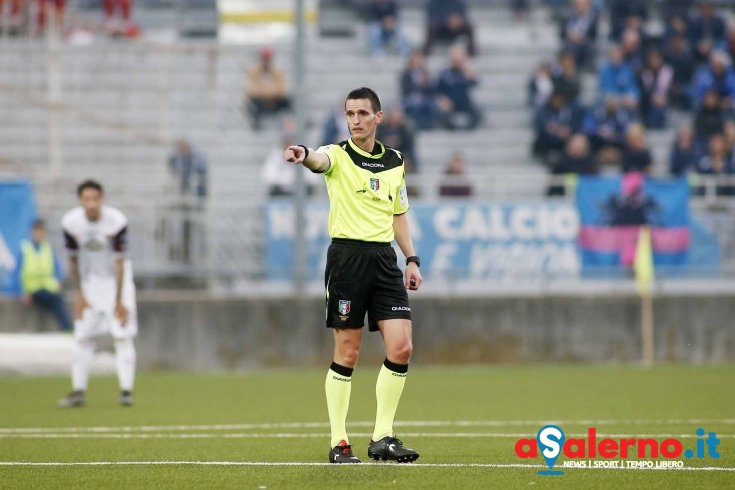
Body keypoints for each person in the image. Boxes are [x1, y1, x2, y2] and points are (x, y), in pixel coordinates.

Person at [284, 87, 422, 464]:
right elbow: (318, 160)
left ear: (379, 117)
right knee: (348, 350)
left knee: (402, 347)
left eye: (363, 113)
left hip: (383, 261)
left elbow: (398, 213)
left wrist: (411, 259)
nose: (355, 120)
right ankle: (339, 442)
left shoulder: (395, 160)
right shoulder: (337, 155)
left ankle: (382, 437)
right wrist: (303, 154)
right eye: (350, 114)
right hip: (347, 259)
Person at [57, 180, 138, 408]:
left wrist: (120, 301)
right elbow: (72, 259)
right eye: (87, 199)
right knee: (82, 336)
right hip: (90, 282)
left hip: (117, 282)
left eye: (95, 198)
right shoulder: (71, 223)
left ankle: (125, 391)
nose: (92, 204)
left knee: (122, 335)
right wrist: (80, 294)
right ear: (80, 200)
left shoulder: (116, 222)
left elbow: (120, 263)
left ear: (102, 199)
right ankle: (78, 391)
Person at [15, 219, 72, 332]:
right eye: (37, 231)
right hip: (33, 289)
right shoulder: (25, 249)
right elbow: (17, 272)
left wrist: (59, 281)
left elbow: (57, 268)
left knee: (55, 297)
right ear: (32, 232)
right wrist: (22, 291)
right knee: (55, 300)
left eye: (41, 231)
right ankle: (67, 327)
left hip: (48, 287)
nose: (39, 234)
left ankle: (67, 327)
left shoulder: (48, 248)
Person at [244, 47, 292, 130]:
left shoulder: (276, 71)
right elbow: (252, 91)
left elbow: (281, 89)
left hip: (274, 101)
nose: (266, 61)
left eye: (268, 58)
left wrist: (265, 91)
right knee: (252, 103)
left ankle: (290, 124)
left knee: (288, 102)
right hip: (261, 102)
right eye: (265, 58)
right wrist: (270, 92)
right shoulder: (255, 71)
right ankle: (256, 123)